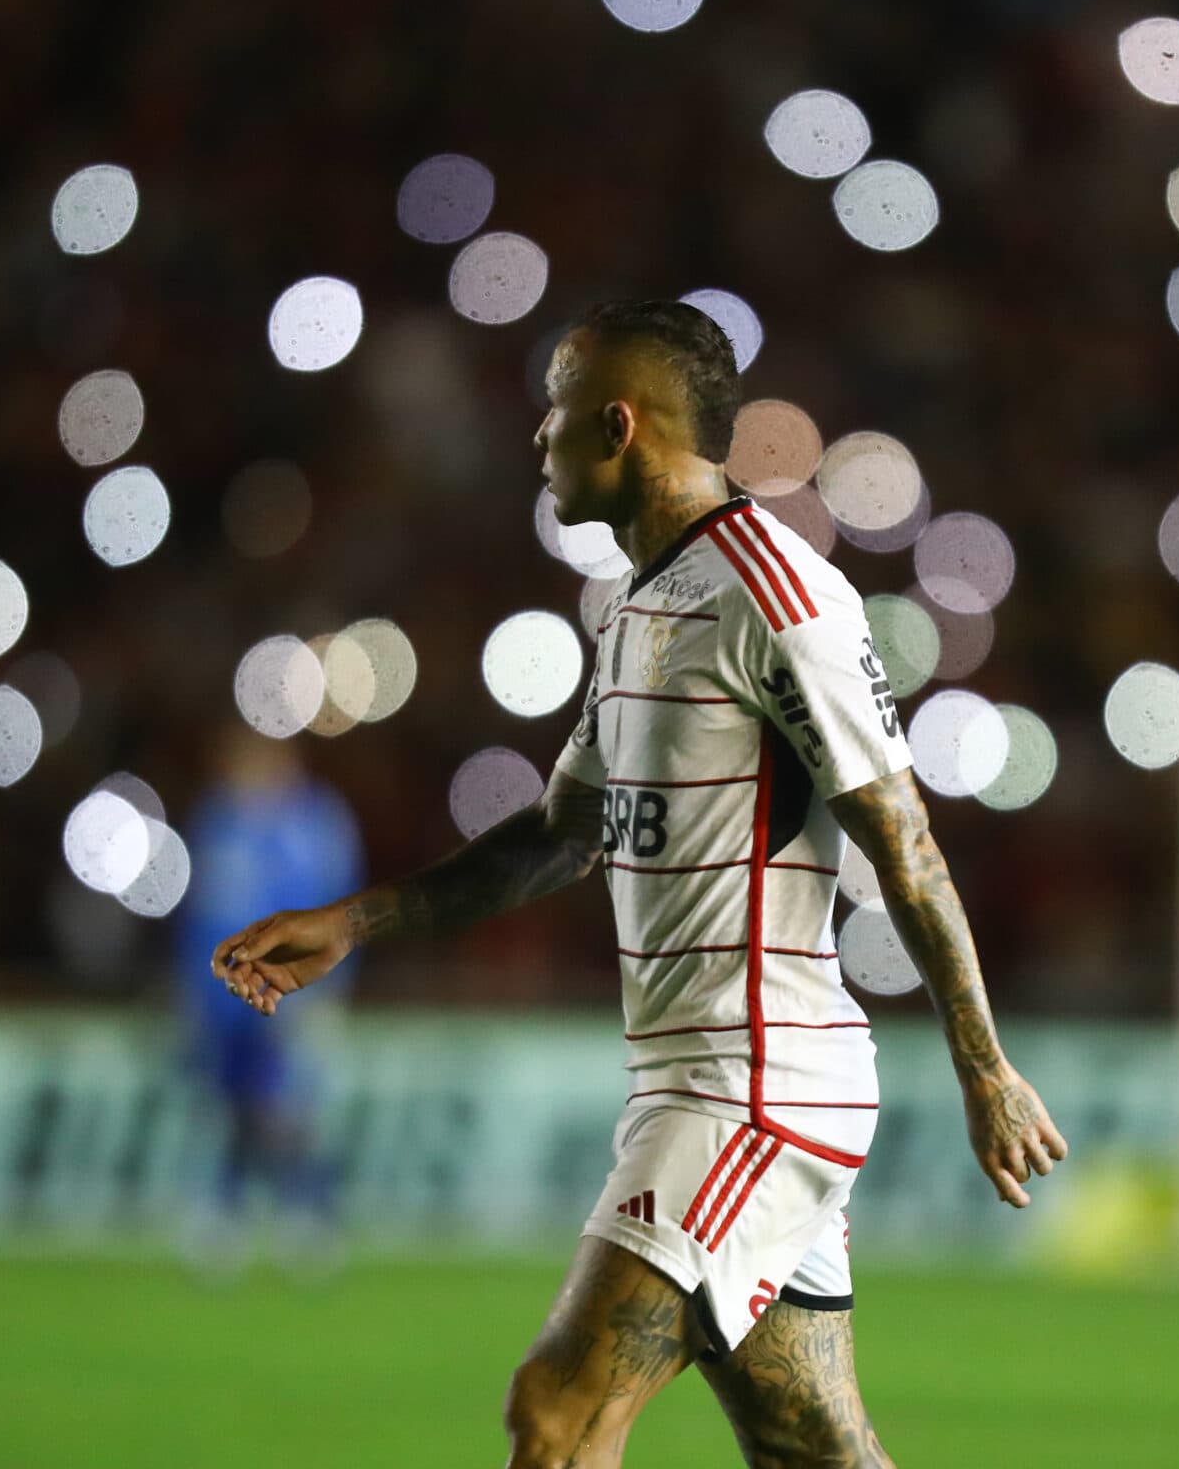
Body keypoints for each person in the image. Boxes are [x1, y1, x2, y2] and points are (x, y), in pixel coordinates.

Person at [212, 299, 1066, 1467]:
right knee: (810, 1444)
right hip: (697, 1082)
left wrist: (985, 1068)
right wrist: (356, 920)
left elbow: (903, 839)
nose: (539, 437)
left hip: (753, 1086)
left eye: (555, 411)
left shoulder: (778, 593)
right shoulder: (640, 605)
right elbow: (562, 833)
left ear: (617, 426)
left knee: (557, 1412)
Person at [175, 729, 363, 1278]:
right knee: (230, 1106)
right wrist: (191, 986)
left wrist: (325, 986)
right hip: (224, 998)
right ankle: (226, 1212)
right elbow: (198, 914)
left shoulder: (315, 823)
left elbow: (338, 911)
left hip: (289, 988)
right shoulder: (217, 821)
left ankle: (309, 1213)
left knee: (288, 1108)